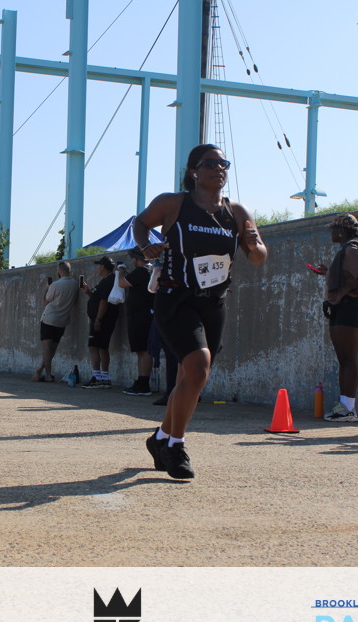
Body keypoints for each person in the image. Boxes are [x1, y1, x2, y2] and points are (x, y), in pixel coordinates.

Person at [133, 143, 268, 479]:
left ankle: (160, 438)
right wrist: (146, 245)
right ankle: (175, 446)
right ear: (193, 171)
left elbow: (257, 257)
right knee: (197, 367)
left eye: (224, 163)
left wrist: (254, 243)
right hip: (175, 297)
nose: (218, 168)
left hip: (213, 303)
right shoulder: (173, 203)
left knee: (190, 377)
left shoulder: (236, 212)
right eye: (210, 163)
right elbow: (141, 223)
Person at [316, 213, 358, 422]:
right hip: (342, 306)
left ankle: (349, 408)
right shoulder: (346, 250)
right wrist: (329, 272)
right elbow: (348, 275)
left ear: (342, 231)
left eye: (334, 229)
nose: (331, 232)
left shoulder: (351, 249)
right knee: (343, 359)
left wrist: (354, 292)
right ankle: (344, 406)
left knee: (348, 358)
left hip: (349, 306)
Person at [32, 262, 79, 382]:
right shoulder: (75, 284)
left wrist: (46, 289)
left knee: (46, 350)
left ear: (60, 271)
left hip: (49, 319)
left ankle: (48, 375)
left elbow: (45, 301)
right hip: (62, 321)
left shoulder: (55, 285)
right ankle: (39, 370)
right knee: (52, 350)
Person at [118, 247, 155, 396]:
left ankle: (144, 384)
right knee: (141, 350)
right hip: (146, 314)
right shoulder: (150, 270)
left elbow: (121, 283)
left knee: (143, 350)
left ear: (136, 258)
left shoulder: (141, 271)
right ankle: (141, 382)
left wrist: (121, 270)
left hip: (140, 316)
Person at [80, 257, 121, 388]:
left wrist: (98, 320)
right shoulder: (109, 280)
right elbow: (98, 298)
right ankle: (104, 378)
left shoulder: (108, 281)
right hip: (104, 319)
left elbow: (104, 302)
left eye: (99, 266)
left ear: (103, 267)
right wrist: (88, 292)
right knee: (102, 347)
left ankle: (97, 377)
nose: (98, 268)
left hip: (101, 319)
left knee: (94, 346)